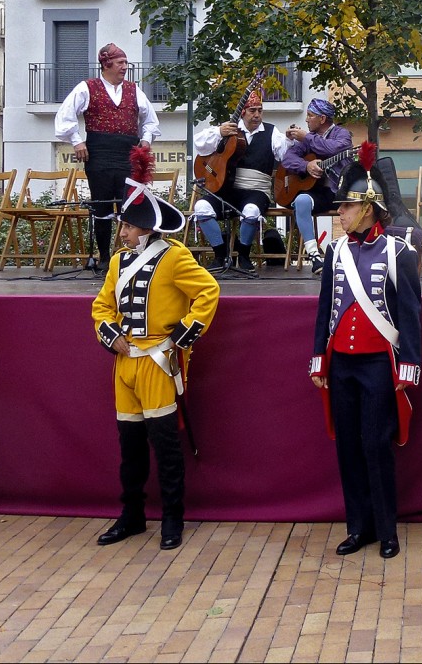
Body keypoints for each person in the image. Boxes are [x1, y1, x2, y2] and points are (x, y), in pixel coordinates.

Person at [92, 148, 221, 551]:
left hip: (158, 363)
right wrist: (111, 334)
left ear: (145, 229)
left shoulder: (174, 257)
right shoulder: (117, 262)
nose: (123, 233)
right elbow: (101, 306)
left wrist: (182, 338)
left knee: (164, 446)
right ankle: (131, 517)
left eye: (128, 226)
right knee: (129, 448)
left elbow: (208, 292)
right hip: (125, 365)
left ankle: (172, 519)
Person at [309, 147, 422, 560]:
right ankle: (358, 527)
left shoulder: (398, 253)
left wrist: (409, 365)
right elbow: (325, 309)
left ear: (370, 208)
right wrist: (319, 359)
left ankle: (386, 529)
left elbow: (410, 313)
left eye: (348, 206)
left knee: (376, 445)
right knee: (348, 448)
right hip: (341, 364)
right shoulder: (335, 252)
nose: (340, 213)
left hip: (378, 363)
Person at [55, 43, 161, 267]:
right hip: (100, 154)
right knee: (101, 206)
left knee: (131, 204)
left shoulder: (134, 90)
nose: (125, 67)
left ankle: (132, 256)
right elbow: (64, 117)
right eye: (121, 63)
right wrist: (77, 141)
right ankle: (104, 258)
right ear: (106, 64)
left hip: (128, 155)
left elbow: (151, 121)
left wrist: (145, 141)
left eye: (125, 62)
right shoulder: (87, 87)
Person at [191, 91, 289, 272]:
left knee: (251, 210)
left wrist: (291, 139)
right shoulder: (229, 131)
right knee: (201, 207)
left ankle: (243, 256)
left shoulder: (271, 131)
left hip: (256, 190)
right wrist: (219, 131)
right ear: (243, 112)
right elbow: (199, 143)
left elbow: (284, 153)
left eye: (260, 110)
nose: (257, 115)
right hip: (227, 189)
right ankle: (220, 255)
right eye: (252, 110)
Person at [282, 98, 354, 274]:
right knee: (301, 201)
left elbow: (334, 148)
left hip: (340, 192)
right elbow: (288, 159)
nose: (306, 120)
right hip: (317, 192)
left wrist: (307, 137)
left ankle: (357, 254)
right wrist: (306, 166)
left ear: (322, 119)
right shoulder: (306, 140)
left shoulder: (342, 134)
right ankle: (314, 255)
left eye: (310, 116)